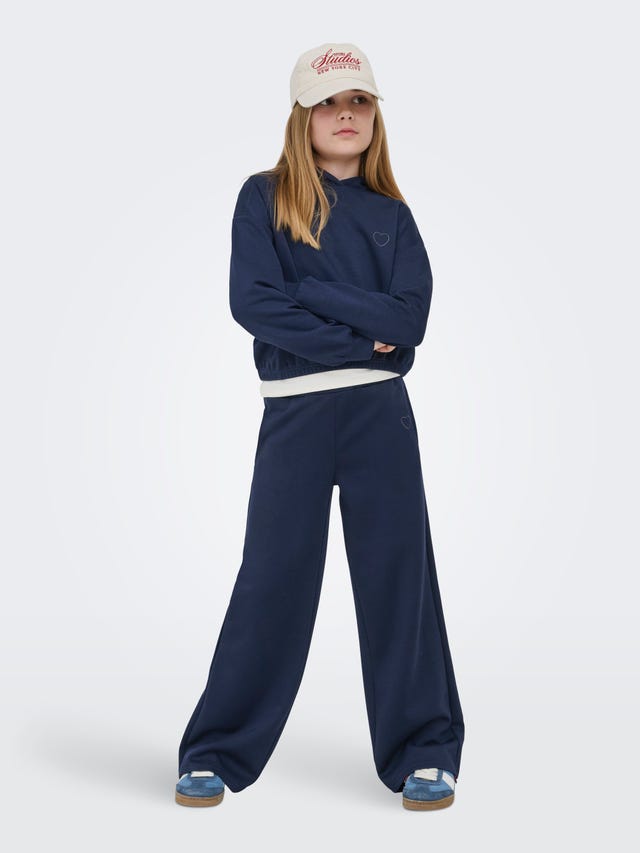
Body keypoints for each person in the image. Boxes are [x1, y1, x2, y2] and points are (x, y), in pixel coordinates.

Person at [175, 42, 465, 811]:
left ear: (375, 116)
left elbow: (410, 321)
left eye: (359, 101)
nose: (346, 115)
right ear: (302, 115)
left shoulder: (393, 216)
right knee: (273, 578)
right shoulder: (263, 197)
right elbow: (253, 302)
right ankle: (216, 750)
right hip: (296, 413)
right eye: (329, 103)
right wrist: (361, 334)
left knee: (399, 579)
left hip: (379, 416)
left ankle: (423, 750)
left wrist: (312, 290)